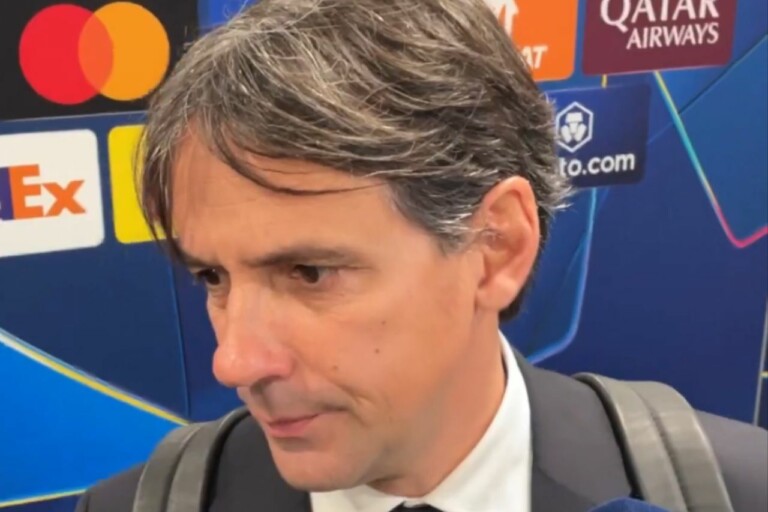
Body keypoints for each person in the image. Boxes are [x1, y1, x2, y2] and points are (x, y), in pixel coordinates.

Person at [77, 0, 767, 511]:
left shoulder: (734, 491)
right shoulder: (136, 506)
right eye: (212, 276)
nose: (235, 361)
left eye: (309, 273)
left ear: (496, 247)